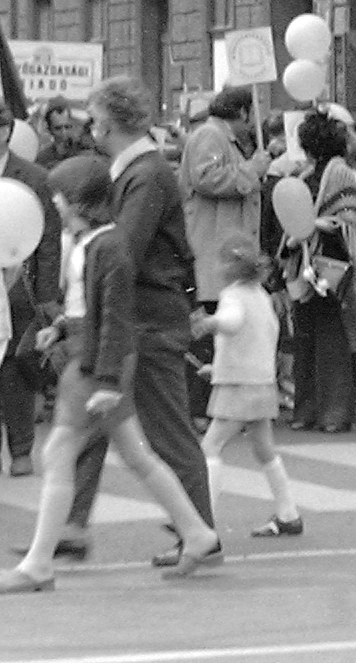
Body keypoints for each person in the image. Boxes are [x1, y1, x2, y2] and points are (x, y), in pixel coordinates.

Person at [1, 155, 220, 592]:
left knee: (59, 454)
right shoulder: (93, 244)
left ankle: (39, 564)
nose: (56, 205)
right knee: (136, 456)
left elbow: (117, 316)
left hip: (97, 362)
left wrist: (104, 381)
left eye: (60, 198)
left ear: (81, 201)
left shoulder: (108, 247)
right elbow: (92, 307)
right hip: (94, 355)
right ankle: (196, 532)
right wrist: (62, 326)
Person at [59, 78, 215, 568]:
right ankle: (70, 526)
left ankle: (201, 531)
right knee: (90, 426)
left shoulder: (145, 174)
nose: (90, 126)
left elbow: (124, 250)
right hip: (134, 316)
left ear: (107, 122)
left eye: (93, 117)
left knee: (166, 431)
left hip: (147, 317)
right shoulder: (134, 171)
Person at [193, 233, 302, 537]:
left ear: (228, 266)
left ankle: (203, 522)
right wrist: (217, 367)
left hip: (238, 387)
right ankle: (288, 513)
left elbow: (232, 321)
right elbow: (254, 339)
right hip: (262, 384)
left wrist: (211, 323)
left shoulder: (233, 296)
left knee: (210, 447)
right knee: (265, 450)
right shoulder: (262, 296)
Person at [180, 87, 268, 419]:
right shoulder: (209, 136)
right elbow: (207, 179)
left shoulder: (223, 139)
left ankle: (217, 408)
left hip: (225, 253)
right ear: (243, 113)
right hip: (211, 252)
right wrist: (252, 170)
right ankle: (202, 409)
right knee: (209, 333)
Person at [286, 110, 356, 433]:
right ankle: (312, 411)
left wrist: (314, 225)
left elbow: (351, 220)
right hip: (311, 260)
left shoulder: (341, 175)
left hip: (332, 262)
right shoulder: (305, 178)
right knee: (311, 338)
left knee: (327, 337)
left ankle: (328, 412)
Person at [0, 101, 62, 479]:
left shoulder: (34, 177)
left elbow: (49, 242)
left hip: (18, 286)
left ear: (7, 131)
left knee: (14, 369)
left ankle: (21, 450)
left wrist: (46, 294)